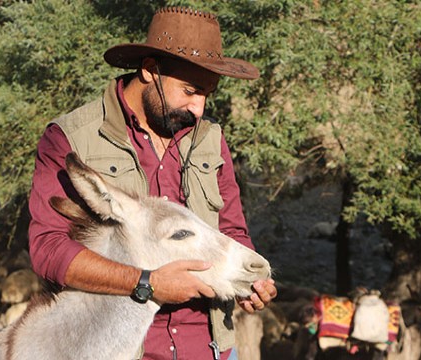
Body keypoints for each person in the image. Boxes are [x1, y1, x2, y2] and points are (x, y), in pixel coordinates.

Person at [28, 6, 277, 360]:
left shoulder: (210, 139)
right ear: (149, 70)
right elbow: (48, 249)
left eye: (208, 93)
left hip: (209, 350)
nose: (199, 109)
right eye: (190, 90)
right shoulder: (70, 137)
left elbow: (232, 229)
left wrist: (250, 284)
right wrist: (146, 283)